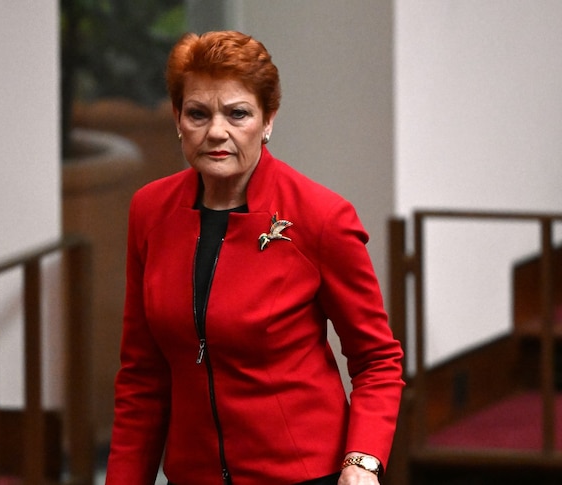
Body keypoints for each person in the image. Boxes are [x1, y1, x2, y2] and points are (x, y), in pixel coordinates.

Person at [105, 30, 404, 485]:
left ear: (268, 121)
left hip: (304, 475)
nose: (216, 132)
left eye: (237, 114)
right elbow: (142, 376)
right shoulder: (149, 211)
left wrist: (361, 462)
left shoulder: (321, 217)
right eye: (198, 114)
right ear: (177, 118)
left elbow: (377, 360)